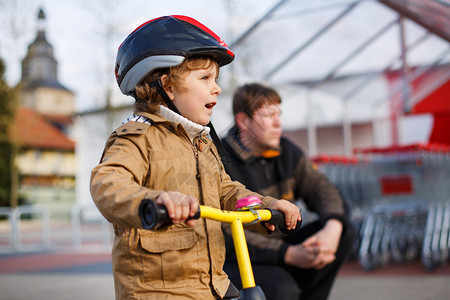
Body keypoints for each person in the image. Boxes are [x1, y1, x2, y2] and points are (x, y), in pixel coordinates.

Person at [89, 16, 301, 300]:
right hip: (159, 290)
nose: (217, 88)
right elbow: (107, 182)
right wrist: (152, 201)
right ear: (168, 86)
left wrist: (267, 205)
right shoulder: (138, 136)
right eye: (205, 78)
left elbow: (226, 190)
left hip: (215, 285)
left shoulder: (201, 141)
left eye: (216, 79)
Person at [221, 83, 356, 300]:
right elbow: (223, 232)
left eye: (279, 113)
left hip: (284, 246)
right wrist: (288, 254)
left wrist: (332, 228)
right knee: (283, 290)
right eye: (268, 115)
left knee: (344, 230)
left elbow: (323, 189)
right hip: (240, 256)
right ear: (242, 122)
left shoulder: (286, 150)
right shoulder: (221, 160)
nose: (278, 123)